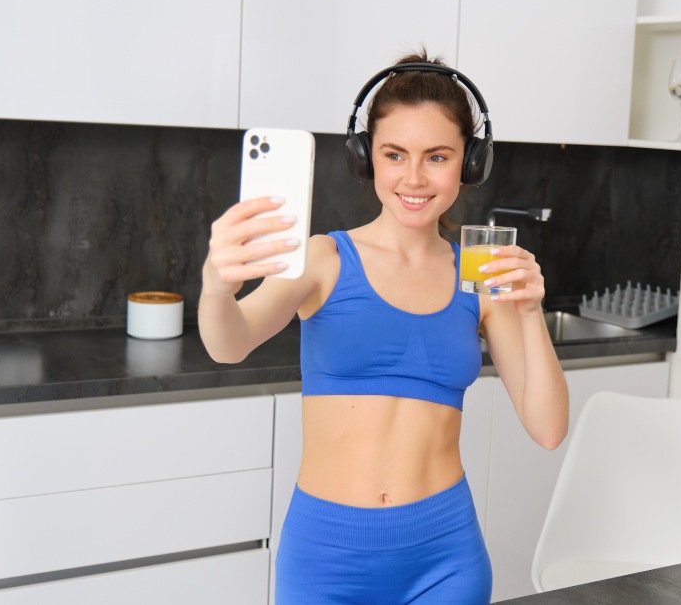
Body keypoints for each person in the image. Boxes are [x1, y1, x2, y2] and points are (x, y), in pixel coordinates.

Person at [198, 51, 569, 604]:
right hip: (326, 561)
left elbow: (549, 429)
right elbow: (228, 344)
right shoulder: (324, 259)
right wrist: (217, 286)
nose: (414, 178)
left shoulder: (478, 274)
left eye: (437, 156)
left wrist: (531, 311)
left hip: (445, 560)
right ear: (366, 157)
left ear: (470, 163)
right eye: (395, 154)